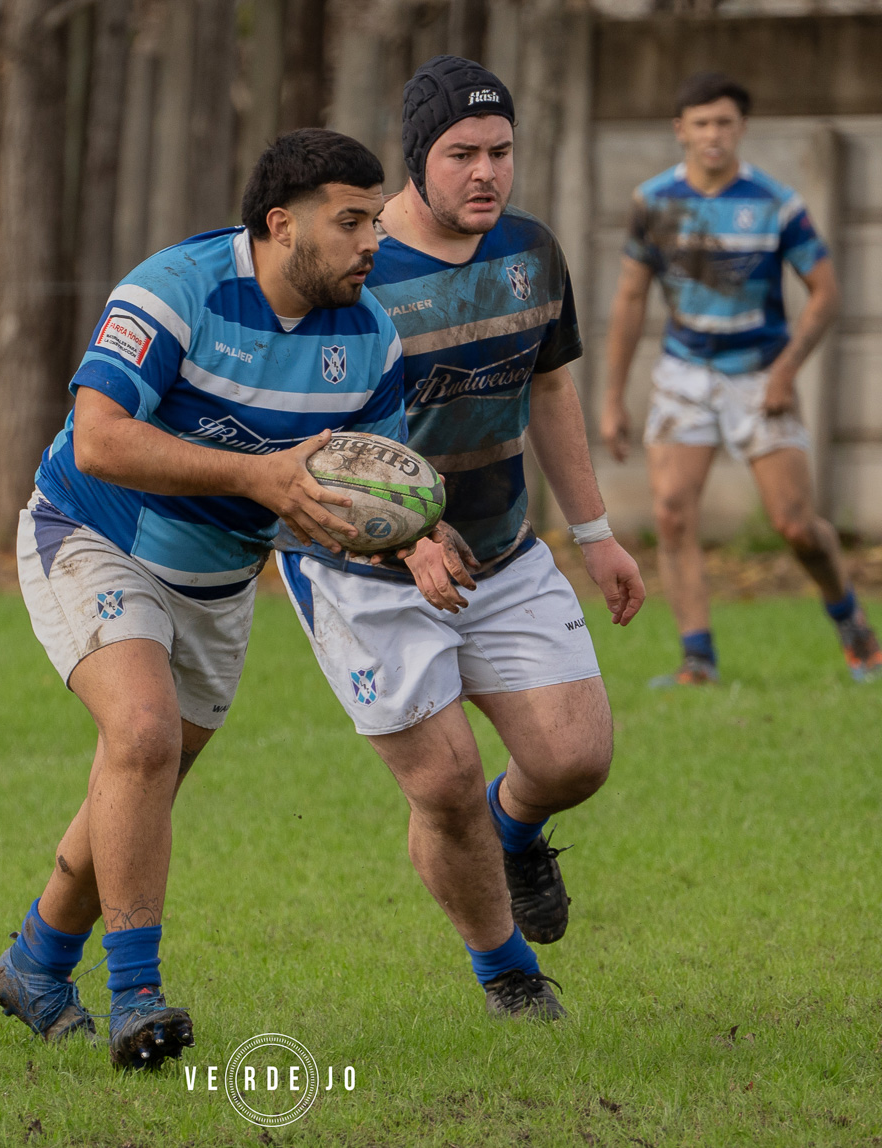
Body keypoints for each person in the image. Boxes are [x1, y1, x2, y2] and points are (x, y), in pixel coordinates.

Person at [0, 130, 450, 1070]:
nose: (375, 241)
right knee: (145, 736)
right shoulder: (176, 289)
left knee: (138, 782)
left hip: (220, 580)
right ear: (282, 225)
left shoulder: (371, 339)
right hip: (93, 535)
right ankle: (138, 1003)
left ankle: (35, 961)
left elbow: (372, 491)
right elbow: (98, 442)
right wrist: (258, 478)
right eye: (352, 220)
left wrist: (419, 538)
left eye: (375, 218)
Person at [274, 57, 645, 1021]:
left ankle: (513, 835)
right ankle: (507, 972)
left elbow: (552, 387)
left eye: (502, 152)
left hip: (502, 544)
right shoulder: (354, 270)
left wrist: (597, 533)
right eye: (462, 154)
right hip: (358, 567)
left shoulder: (529, 251)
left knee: (576, 759)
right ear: (415, 160)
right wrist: (407, 543)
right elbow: (313, 439)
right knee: (442, 781)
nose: (487, 173)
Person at [599, 71, 882, 687]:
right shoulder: (653, 202)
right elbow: (628, 299)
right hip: (682, 374)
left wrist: (786, 372)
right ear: (681, 131)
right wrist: (612, 397)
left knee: (795, 526)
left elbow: (827, 293)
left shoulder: (777, 203)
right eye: (700, 123)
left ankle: (851, 621)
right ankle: (697, 659)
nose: (713, 135)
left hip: (760, 374)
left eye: (724, 123)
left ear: (741, 129)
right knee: (672, 514)